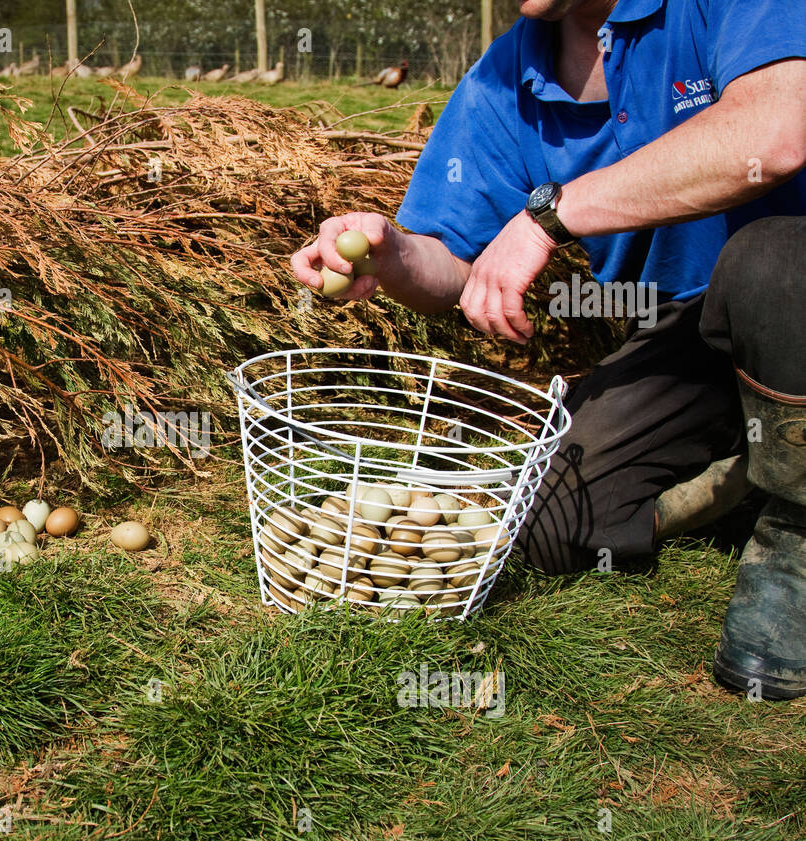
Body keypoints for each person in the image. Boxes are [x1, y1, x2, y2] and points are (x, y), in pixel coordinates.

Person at [291, 0, 806, 698]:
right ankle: (750, 474)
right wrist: (394, 256)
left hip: (792, 274)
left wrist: (547, 217)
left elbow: (775, 136)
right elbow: (451, 261)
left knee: (772, 261)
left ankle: (797, 541)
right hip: (689, 321)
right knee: (553, 520)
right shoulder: (510, 74)